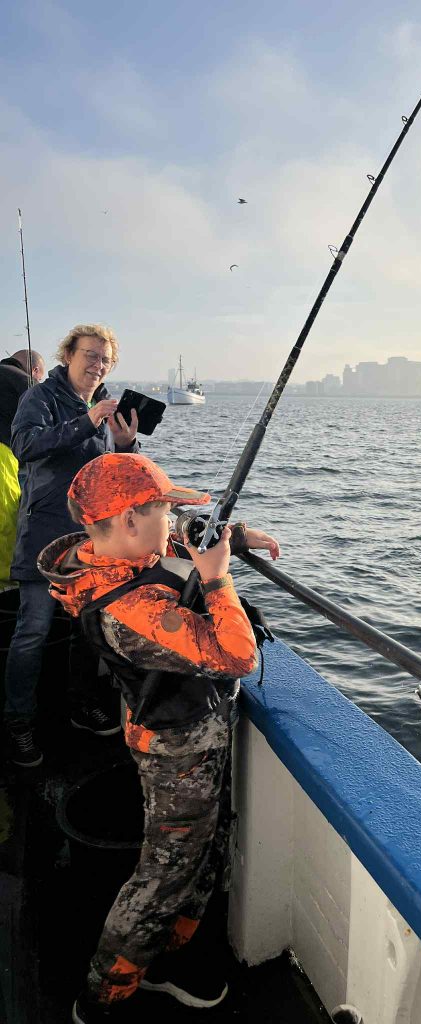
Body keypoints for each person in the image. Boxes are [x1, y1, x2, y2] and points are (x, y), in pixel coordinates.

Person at [37, 452, 280, 1023]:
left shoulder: (116, 553)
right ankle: (102, 997)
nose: (172, 520)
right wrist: (218, 577)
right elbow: (238, 655)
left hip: (186, 736)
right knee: (162, 876)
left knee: (197, 856)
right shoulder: (129, 611)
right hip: (180, 753)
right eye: (164, 510)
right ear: (127, 520)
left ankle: (169, 960)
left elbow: (168, 552)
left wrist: (233, 535)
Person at [4, 325, 139, 767]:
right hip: (44, 536)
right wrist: (88, 420)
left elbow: (111, 475)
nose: (97, 364)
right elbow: (25, 445)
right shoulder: (39, 398)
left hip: (90, 542)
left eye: (105, 360)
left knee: (88, 630)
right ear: (68, 355)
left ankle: (81, 704)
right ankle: (19, 722)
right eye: (91, 355)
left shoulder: (101, 409)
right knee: (33, 632)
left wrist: (125, 445)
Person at [0, 348, 45, 585]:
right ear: (35, 370)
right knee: (6, 521)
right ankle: (7, 585)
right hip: (2, 456)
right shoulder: (24, 382)